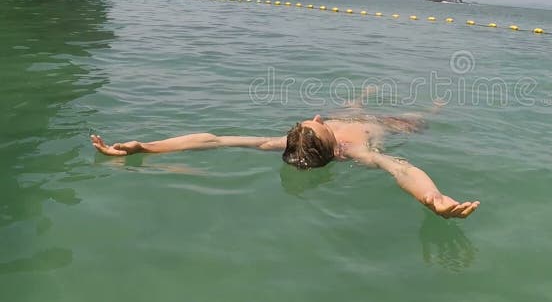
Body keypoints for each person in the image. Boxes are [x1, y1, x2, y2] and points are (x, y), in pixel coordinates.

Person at [90, 102, 480, 219]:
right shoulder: (357, 152)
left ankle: (360, 101)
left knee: (356, 102)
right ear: (334, 149)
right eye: (319, 125)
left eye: (312, 122)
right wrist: (433, 198)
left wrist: (147, 148)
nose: (316, 118)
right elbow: (402, 167)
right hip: (388, 125)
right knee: (426, 116)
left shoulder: (288, 142)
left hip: (364, 119)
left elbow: (215, 140)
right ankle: (436, 107)